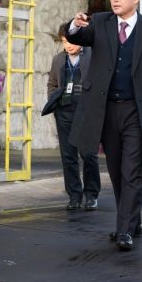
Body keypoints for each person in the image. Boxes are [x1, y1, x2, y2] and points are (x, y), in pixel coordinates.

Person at [65, 0, 142, 251]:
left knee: (132, 171)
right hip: (106, 110)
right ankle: (132, 221)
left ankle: (124, 229)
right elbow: (77, 36)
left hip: (138, 110)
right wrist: (75, 25)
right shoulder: (100, 22)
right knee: (115, 170)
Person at [46, 23, 100, 211]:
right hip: (64, 111)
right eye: (64, 41)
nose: (68, 45)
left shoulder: (92, 55)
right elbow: (52, 83)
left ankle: (91, 195)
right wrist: (53, 102)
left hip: (86, 111)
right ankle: (74, 195)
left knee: (88, 154)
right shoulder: (58, 59)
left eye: (71, 40)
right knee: (68, 155)